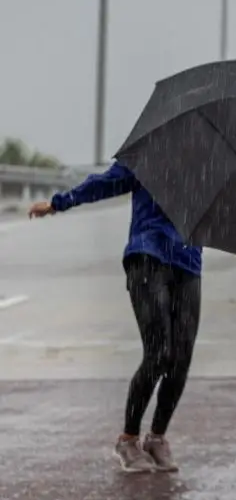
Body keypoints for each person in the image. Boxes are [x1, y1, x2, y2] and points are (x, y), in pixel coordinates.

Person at [28, 161, 202, 473]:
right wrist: (59, 203)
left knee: (181, 358)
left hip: (188, 261)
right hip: (147, 255)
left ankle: (157, 438)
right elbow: (105, 182)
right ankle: (128, 438)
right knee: (159, 352)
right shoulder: (151, 153)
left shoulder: (212, 162)